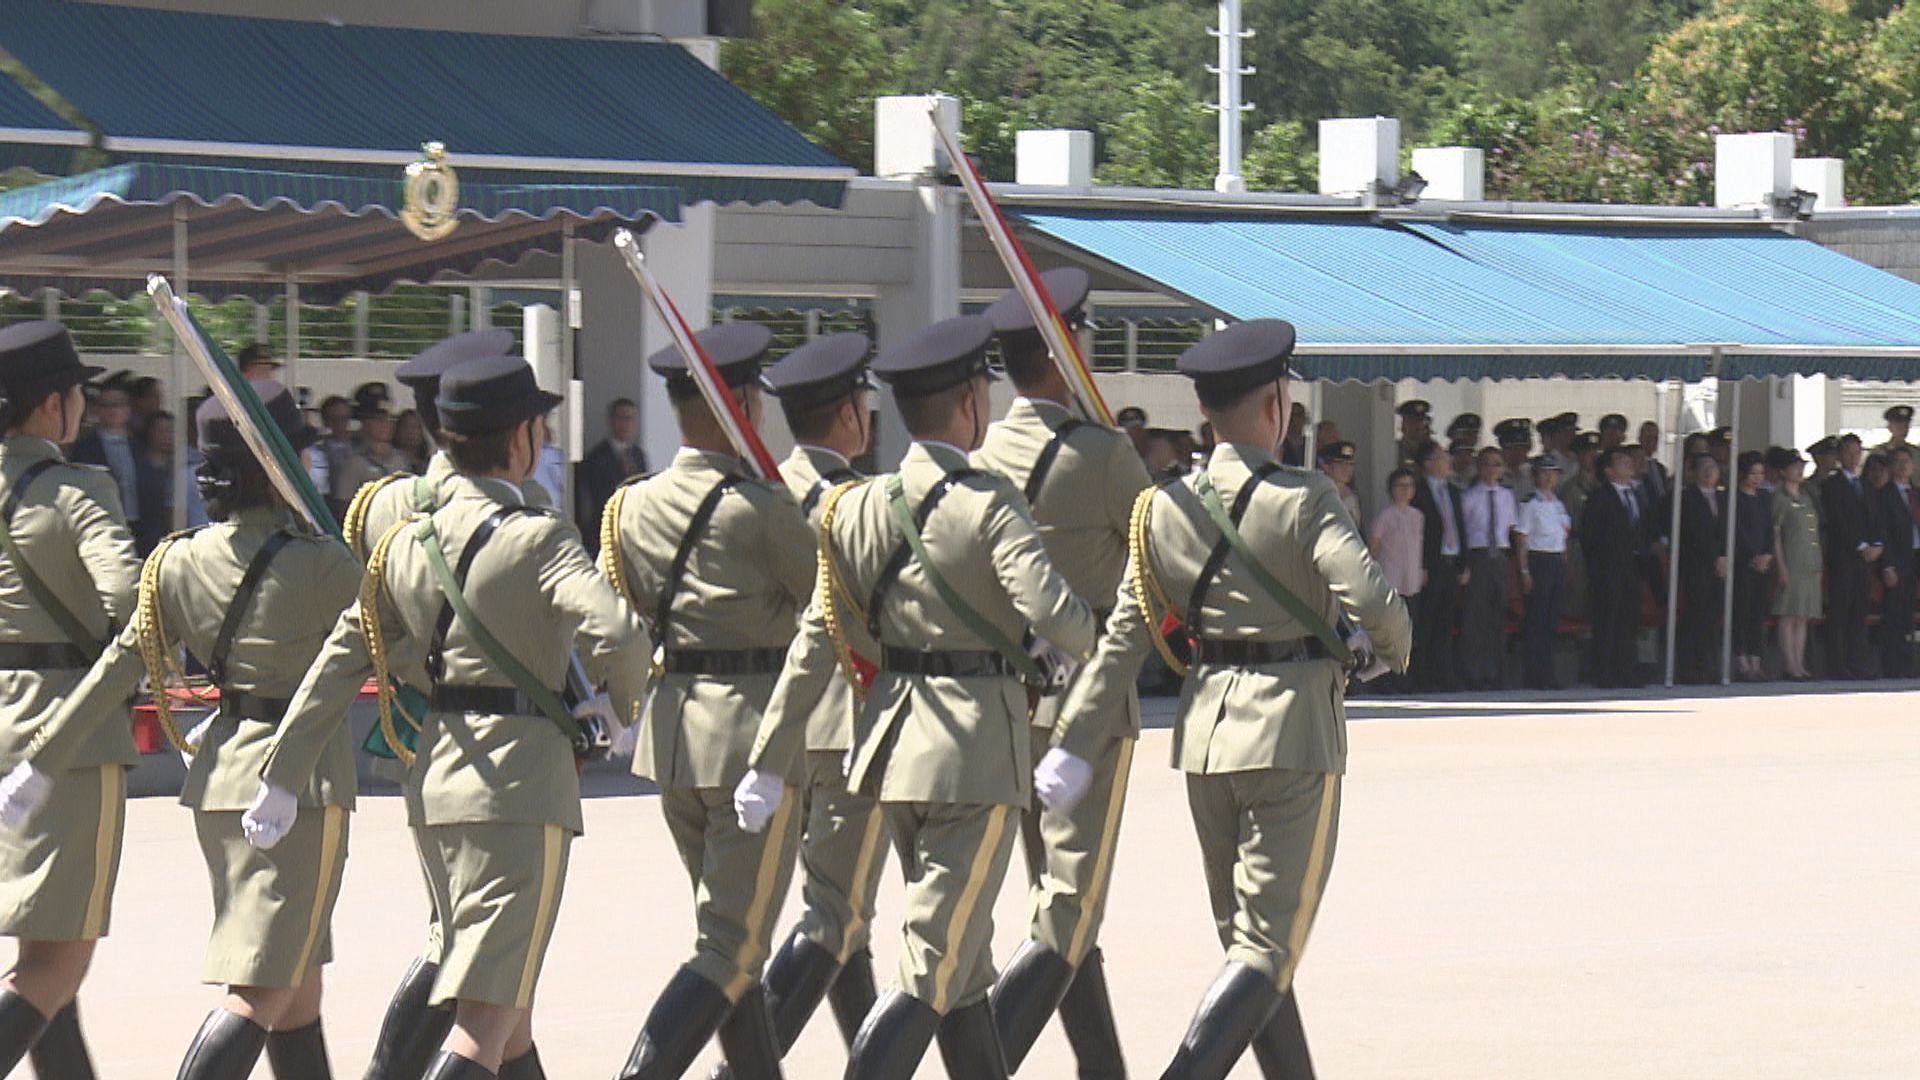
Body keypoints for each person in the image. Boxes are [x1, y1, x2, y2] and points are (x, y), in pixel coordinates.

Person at [259, 352, 648, 1080]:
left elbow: (343, 658)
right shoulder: (537, 535)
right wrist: (618, 708)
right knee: (485, 1021)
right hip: (519, 789)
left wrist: (281, 774)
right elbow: (621, 634)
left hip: (437, 780)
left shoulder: (408, 542)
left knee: (507, 1011)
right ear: (520, 437)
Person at [1046, 318, 1410, 1078]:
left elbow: (1123, 641)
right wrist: (1391, 648)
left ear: (1205, 410)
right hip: (1292, 732)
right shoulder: (1304, 497)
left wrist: (1073, 744)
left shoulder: (1161, 509)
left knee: (1251, 952)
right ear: (1277, 403)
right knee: (1267, 952)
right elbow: (1374, 600)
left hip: (1209, 736)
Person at [739, 313, 1096, 1080]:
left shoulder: (858, 506)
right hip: (974, 752)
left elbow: (817, 640)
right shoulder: (989, 501)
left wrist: (767, 760)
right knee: (933, 959)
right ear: (969, 402)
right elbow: (1055, 613)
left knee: (962, 971)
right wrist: (1083, 637)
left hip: (894, 746)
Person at [12, 383, 359, 1078]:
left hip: (221, 776)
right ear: (280, 466)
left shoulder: (177, 560)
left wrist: (42, 762)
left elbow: (118, 667)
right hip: (298, 785)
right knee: (262, 989)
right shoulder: (324, 564)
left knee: (296, 988)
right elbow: (393, 640)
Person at [602, 323, 813, 1080]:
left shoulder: (631, 506)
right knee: (732, 945)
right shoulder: (763, 507)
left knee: (732, 941)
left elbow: (621, 616)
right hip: (751, 742)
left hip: (676, 739)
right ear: (744, 403)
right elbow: (829, 607)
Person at [335, 329, 547, 1080]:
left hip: (415, 723)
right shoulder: (515, 504)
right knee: (465, 939)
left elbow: (369, 613)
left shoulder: (381, 503)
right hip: (499, 738)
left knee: (489, 952)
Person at [973, 268, 1151, 1078]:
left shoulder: (981, 455)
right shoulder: (1103, 455)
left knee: (1060, 903)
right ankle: (983, 1063)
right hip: (1087, 703)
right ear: (1058, 350)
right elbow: (1164, 552)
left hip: (1007, 702)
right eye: (1079, 334)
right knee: (1070, 909)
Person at [728, 331, 885, 1073]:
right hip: (849, 717)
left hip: (772, 728)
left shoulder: (758, 494)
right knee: (835, 913)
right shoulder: (857, 503)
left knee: (845, 916)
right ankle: (744, 1068)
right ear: (849, 415)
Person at [0, 322, 139, 1076]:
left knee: (44, 953)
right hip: (67, 738)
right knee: (59, 964)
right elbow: (131, 605)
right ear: (52, 405)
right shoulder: (78, 490)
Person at [1582, 447, 1647, 689]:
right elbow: (1589, 535)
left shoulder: (1636, 495)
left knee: (1628, 620)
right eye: (1622, 462)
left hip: (1632, 567)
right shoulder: (1599, 498)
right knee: (1607, 620)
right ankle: (1604, 672)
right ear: (1609, 471)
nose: (1629, 465)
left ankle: (1627, 670)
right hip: (1607, 569)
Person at [1821, 434, 1879, 679]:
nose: (1853, 458)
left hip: (1865, 560)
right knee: (1841, 611)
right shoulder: (1832, 485)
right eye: (1848, 453)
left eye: (1857, 453)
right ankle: (1838, 664)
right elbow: (1838, 520)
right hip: (1844, 556)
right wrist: (1860, 544)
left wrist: (1877, 544)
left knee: (1859, 610)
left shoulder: (1866, 484)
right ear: (1840, 456)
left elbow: (1875, 517)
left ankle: (1858, 663)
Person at [1459, 447, 1517, 691]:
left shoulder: (1507, 496)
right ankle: (1474, 673)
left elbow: (1511, 529)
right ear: (1480, 468)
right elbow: (1463, 531)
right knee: (1475, 617)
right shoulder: (1469, 497)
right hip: (1478, 555)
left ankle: (1497, 673)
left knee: (1497, 615)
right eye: (1488, 464)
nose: (1493, 469)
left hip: (1499, 556)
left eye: (1497, 464)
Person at [1411, 439, 1465, 692]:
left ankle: (1444, 675)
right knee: (1427, 621)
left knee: (1446, 622)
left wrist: (1463, 561)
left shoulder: (1453, 491)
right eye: (1442, 458)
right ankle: (1423, 676)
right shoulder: (1418, 492)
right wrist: (1421, 565)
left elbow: (1460, 526)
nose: (1447, 462)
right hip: (1430, 565)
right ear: (1428, 464)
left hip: (1451, 561)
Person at [1515, 457, 1572, 690]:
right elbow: (1522, 539)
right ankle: (1534, 674)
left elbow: (1563, 537)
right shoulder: (1530, 503)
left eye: (1553, 473)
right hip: (1539, 560)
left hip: (1556, 561)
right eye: (1544, 473)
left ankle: (1548, 672)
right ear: (1536, 476)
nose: (1549, 478)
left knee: (1551, 620)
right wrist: (1524, 571)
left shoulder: (1558, 504)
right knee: (1536, 620)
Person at [1369, 468, 1424, 694]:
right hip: (1390, 579)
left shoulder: (1417, 516)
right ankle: (1387, 680)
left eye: (1409, 486)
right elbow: (1374, 547)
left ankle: (1407, 678)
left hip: (1412, 580)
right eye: (1401, 486)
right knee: (1390, 633)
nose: (1405, 490)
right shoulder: (1385, 516)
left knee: (1410, 633)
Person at [1769, 448, 1823, 681]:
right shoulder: (1779, 498)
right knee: (1788, 614)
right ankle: (1789, 664)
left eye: (1801, 466)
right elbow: (1775, 535)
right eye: (1794, 467)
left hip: (1809, 561)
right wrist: (1781, 566)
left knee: (1803, 615)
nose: (1799, 471)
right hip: (1791, 561)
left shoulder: (1807, 496)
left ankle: (1799, 663)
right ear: (1783, 471)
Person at [1675, 454, 1728, 684]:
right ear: (1694, 472)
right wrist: (1714, 556)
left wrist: (1724, 556)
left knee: (1714, 617)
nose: (1709, 472)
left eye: (1712, 467)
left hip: (1721, 566)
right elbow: (1693, 533)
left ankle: (1711, 667)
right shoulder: (1687, 498)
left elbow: (1728, 529)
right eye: (1704, 467)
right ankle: (1691, 668)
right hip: (1697, 565)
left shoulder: (1724, 497)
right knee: (1695, 617)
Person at [70, 377, 143, 540]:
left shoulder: (141, 445)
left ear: (129, 409)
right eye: (106, 405)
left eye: (119, 404)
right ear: (97, 409)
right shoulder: (85, 447)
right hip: (103, 524)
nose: (113, 410)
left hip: (142, 525)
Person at [577, 397, 648, 555]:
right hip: (604, 531)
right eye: (622, 418)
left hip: (634, 532)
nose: (626, 424)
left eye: (630, 419)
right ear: (611, 421)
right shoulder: (596, 457)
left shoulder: (638, 455)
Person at [1731, 451, 1776, 682]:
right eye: (1753, 473)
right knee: (1742, 611)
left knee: (1758, 613)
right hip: (1742, 563)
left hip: (1763, 564)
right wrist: (1752, 556)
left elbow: (1769, 528)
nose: (1757, 478)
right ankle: (1742, 661)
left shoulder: (1764, 497)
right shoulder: (1734, 498)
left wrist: (1768, 554)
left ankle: (1756, 661)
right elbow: (1737, 531)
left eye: (1761, 473)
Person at [332, 385, 410, 507]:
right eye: (378, 420)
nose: (385, 424)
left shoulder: (400, 459)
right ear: (364, 423)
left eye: (388, 419)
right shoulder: (353, 462)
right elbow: (344, 506)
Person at [1881, 447, 1919, 678]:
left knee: (1909, 614)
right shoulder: (1884, 495)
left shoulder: (1916, 493)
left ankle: (1910, 664)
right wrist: (1887, 565)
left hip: (1916, 557)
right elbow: (1883, 532)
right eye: (1898, 461)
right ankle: (1894, 666)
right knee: (1895, 613)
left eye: (1907, 461)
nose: (1903, 466)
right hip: (1897, 561)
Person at [133, 408, 175, 552]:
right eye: (161, 431)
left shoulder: (179, 467)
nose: (166, 436)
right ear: (149, 432)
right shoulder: (137, 468)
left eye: (170, 431)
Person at [1317, 440, 1361, 526]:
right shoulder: (1320, 494)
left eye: (1350, 464)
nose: (1347, 469)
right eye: (1341, 464)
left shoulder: (1352, 496)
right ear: (1327, 467)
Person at [1494, 419, 1533, 502]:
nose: (1520, 453)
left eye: (1523, 448)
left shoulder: (1531, 473)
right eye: (1515, 448)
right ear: (1504, 449)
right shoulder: (1493, 474)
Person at [1394, 399, 1431, 471]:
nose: (1418, 425)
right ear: (1403, 424)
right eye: (1412, 421)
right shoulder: (1394, 450)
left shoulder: (1432, 450)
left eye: (1421, 420)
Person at [395, 408, 433, 474]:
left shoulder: (431, 462)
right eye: (406, 426)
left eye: (415, 427)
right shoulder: (393, 461)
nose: (410, 432)